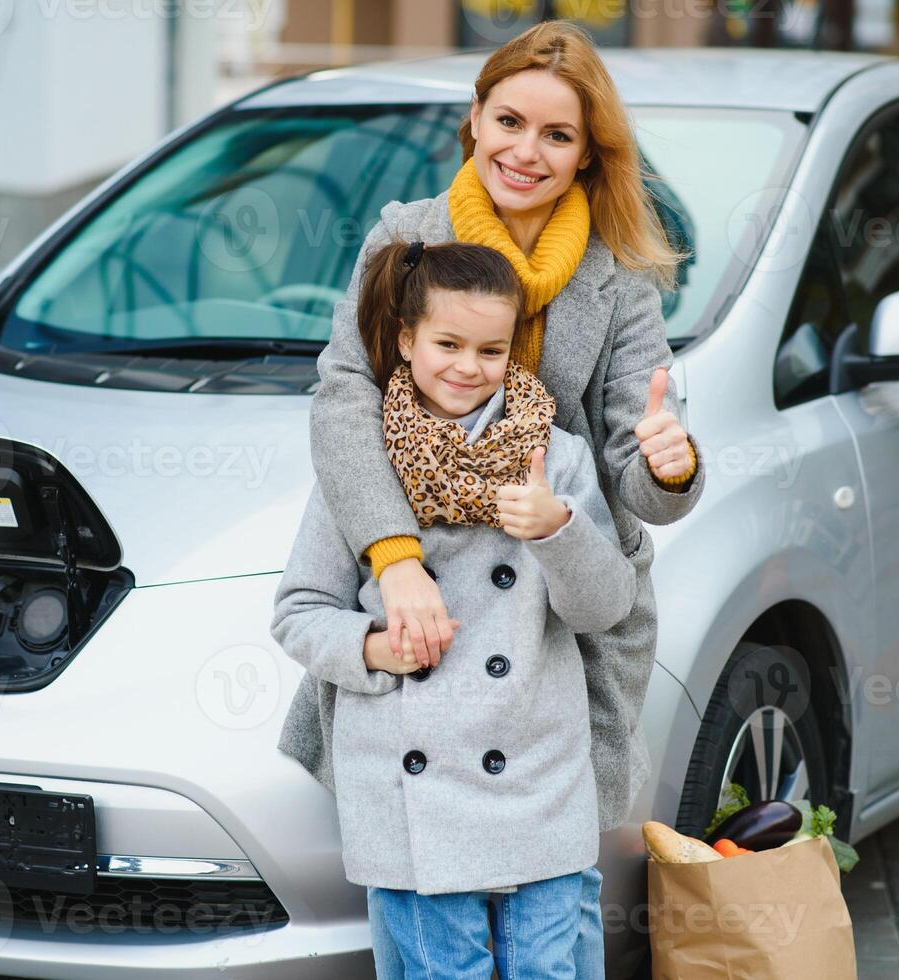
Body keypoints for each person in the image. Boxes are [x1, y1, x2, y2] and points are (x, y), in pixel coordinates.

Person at [276, 25, 705, 948]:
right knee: (435, 914)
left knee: (553, 887)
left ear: (590, 151)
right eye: (509, 119)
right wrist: (393, 561)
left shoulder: (618, 273)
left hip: (557, 575)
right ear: (474, 119)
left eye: (558, 134)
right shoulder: (408, 236)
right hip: (426, 572)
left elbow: (639, 475)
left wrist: (672, 463)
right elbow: (346, 395)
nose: (527, 150)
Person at [272, 236, 636, 977]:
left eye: (491, 350)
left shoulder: (555, 458)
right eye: (447, 343)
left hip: (536, 776)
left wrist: (556, 530)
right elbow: (298, 611)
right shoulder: (364, 463)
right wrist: (374, 649)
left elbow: (606, 608)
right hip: (416, 801)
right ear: (406, 341)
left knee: (549, 969)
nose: (468, 368)